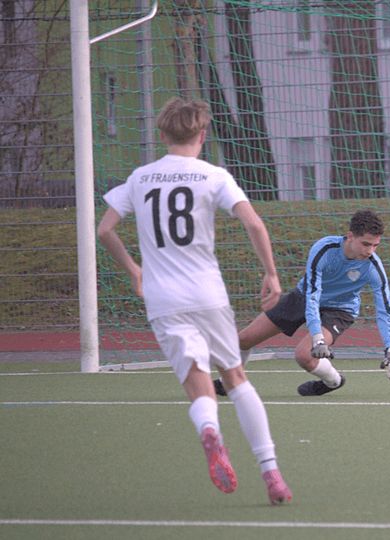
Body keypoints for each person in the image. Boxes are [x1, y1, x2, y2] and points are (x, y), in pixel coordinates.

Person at [97, 97, 292, 505]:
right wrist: (271, 273)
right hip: (207, 294)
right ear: (203, 135)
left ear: (161, 134)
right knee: (235, 378)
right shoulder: (213, 175)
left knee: (196, 380)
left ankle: (208, 428)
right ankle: (271, 472)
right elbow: (254, 223)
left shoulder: (140, 178)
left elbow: (105, 230)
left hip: (163, 299)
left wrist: (134, 270)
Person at [213, 209, 390, 397]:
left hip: (340, 310)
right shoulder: (324, 250)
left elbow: (385, 310)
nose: (370, 251)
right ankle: (229, 382)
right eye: (366, 244)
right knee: (243, 340)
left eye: (375, 245)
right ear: (350, 236)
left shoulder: (373, 267)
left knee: (304, 355)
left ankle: (333, 381)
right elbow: (312, 295)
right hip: (303, 297)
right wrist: (318, 337)